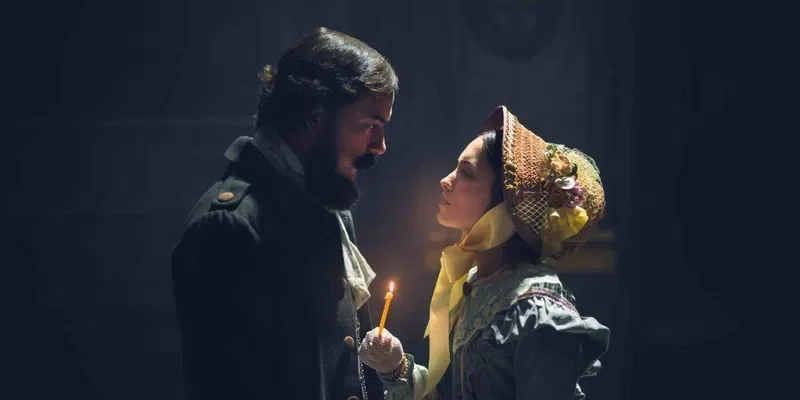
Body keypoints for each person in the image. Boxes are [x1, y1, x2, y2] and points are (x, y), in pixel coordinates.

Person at [170, 27, 397, 400]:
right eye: (370, 126)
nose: (380, 146)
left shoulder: (325, 204)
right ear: (314, 117)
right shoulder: (227, 226)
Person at [358, 106, 610, 399]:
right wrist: (396, 367)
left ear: (507, 200)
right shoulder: (474, 284)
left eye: (467, 173)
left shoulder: (538, 310)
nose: (446, 180)